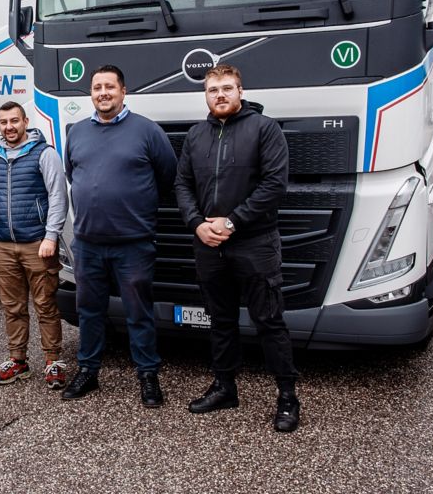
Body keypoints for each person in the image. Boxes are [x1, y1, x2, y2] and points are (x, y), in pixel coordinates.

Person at [173, 63, 300, 432]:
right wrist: (197, 224)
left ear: (240, 91)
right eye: (213, 90)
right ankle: (224, 387)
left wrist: (232, 222)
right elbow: (182, 184)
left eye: (227, 88)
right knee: (221, 320)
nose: (220, 95)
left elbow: (275, 185)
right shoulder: (196, 135)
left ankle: (287, 397)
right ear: (206, 96)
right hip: (208, 245)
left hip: (254, 242)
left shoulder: (265, 129)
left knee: (269, 321)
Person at [62, 65, 177, 404]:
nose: (103, 93)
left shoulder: (147, 130)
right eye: (97, 87)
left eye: (109, 87)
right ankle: (88, 370)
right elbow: (73, 173)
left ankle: (148, 375)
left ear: (123, 91)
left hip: (133, 244)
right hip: (88, 244)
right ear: (91, 93)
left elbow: (167, 175)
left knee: (138, 313)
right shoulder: (77, 132)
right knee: (89, 311)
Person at [0, 102, 69, 389]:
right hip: (3, 244)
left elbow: (58, 196)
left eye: (14, 121)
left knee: (45, 305)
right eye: (4, 122)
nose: (9, 127)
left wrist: (51, 236)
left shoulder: (44, 153)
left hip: (37, 243)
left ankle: (53, 361)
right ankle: (18, 361)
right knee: (12, 306)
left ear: (25, 121)